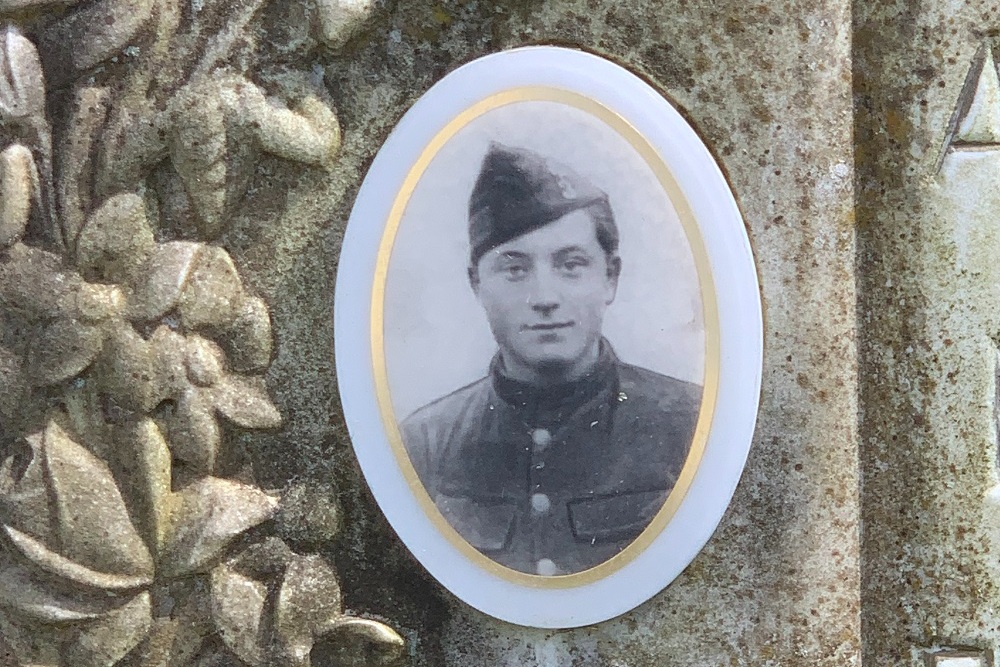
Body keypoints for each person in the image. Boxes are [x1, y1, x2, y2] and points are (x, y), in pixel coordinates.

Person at [401, 142, 702, 576]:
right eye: (514, 269)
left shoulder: (689, 424)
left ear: (610, 278)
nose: (544, 298)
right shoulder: (424, 445)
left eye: (571, 265)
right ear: (477, 285)